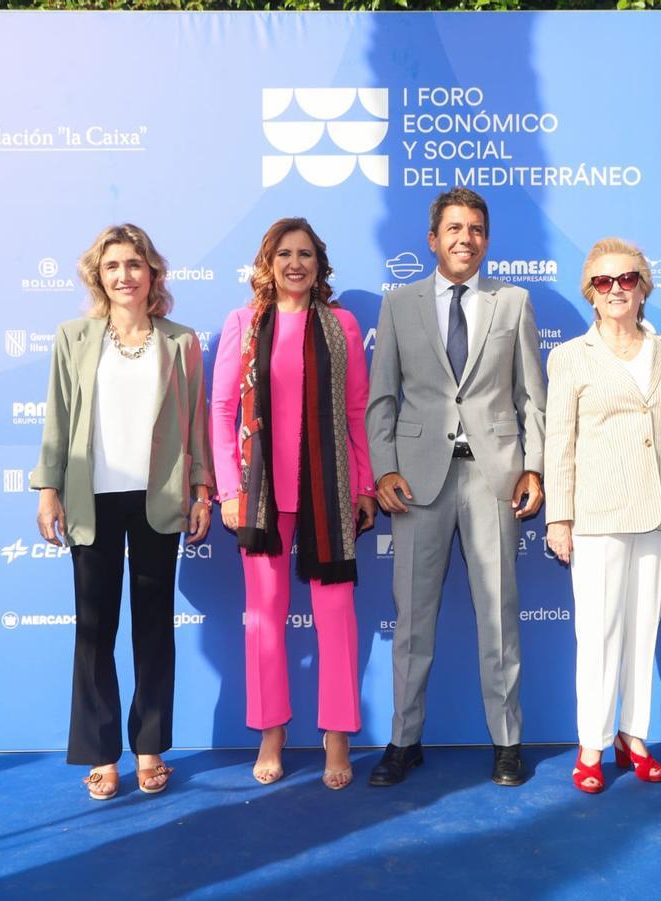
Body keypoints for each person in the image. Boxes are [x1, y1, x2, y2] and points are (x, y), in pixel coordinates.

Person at [365, 187, 547, 787]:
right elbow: (382, 399)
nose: (464, 238)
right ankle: (404, 740)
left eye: (474, 229)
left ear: (486, 240)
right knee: (413, 620)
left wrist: (534, 467)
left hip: (493, 477)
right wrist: (384, 469)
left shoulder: (513, 302)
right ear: (433, 239)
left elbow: (531, 400)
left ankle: (507, 742)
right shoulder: (400, 303)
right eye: (453, 228)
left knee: (499, 615)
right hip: (417, 483)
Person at [31, 223, 214, 801]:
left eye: (134, 264)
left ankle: (151, 747)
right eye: (112, 266)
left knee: (154, 628)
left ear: (151, 273)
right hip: (91, 501)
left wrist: (203, 488)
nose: (124, 276)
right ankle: (101, 754)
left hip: (159, 499)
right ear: (98, 276)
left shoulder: (181, 343)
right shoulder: (74, 338)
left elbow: (196, 425)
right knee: (94, 630)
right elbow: (57, 420)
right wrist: (47, 489)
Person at [211, 218, 376, 791]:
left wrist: (363, 487)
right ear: (268, 261)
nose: (295, 263)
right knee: (264, 621)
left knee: (336, 622)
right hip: (261, 498)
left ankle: (336, 737)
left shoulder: (343, 326)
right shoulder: (242, 324)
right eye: (284, 253)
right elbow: (221, 409)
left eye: (305, 253)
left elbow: (357, 412)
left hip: (328, 496)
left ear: (319, 264)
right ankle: (271, 732)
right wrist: (230, 490)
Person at [544, 238, 661, 794]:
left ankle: (633, 737)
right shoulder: (569, 356)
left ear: (644, 287)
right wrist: (558, 517)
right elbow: (558, 442)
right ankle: (591, 744)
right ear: (590, 293)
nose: (616, 290)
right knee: (599, 632)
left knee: (644, 630)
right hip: (598, 516)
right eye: (603, 282)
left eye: (627, 279)